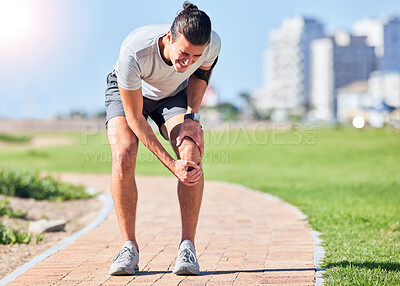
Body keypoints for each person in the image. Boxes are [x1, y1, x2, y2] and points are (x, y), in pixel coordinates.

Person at [104, 1, 221, 276]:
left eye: (195, 56)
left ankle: (187, 247)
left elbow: (201, 76)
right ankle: (128, 247)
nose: (188, 62)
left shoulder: (211, 44)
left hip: (173, 95)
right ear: (169, 38)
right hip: (131, 95)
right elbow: (135, 119)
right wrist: (171, 164)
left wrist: (192, 119)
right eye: (183, 54)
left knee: (190, 154)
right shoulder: (135, 52)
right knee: (124, 152)